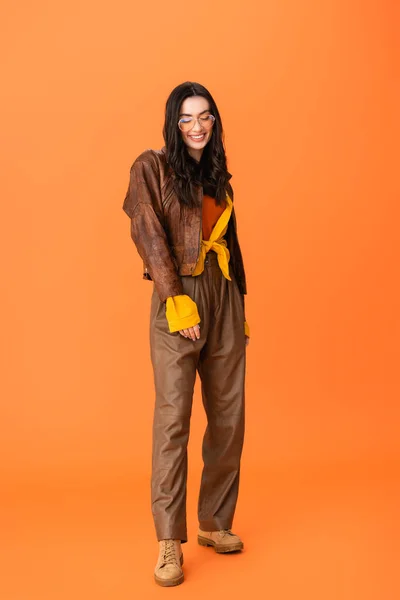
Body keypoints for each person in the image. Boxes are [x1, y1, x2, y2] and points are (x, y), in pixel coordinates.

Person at [122, 81, 250, 587]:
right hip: (179, 294)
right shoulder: (150, 167)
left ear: (214, 121)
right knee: (173, 421)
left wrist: (239, 303)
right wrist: (176, 301)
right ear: (173, 123)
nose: (197, 127)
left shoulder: (219, 171)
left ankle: (215, 523)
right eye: (187, 119)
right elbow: (148, 233)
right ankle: (168, 542)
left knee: (229, 415)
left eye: (205, 117)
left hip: (223, 296)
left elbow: (228, 240)